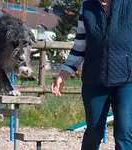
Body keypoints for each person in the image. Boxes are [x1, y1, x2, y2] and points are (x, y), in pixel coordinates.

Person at [51, 0, 132, 150]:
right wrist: (63, 74)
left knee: (124, 132)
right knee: (94, 132)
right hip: (94, 80)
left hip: (126, 81)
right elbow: (79, 46)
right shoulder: (87, 7)